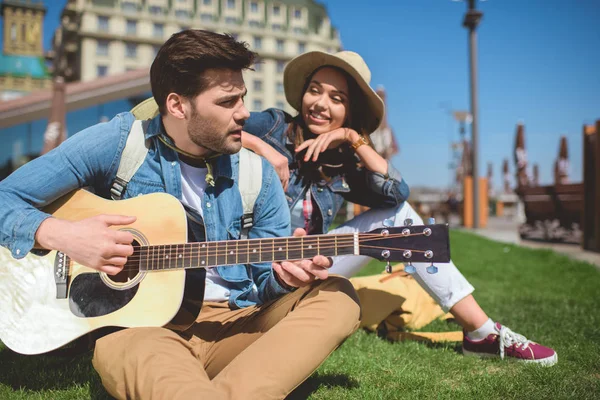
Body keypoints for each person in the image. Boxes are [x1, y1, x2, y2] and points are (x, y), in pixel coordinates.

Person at [0, 30, 361, 399]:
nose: (244, 112)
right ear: (177, 106)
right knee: (137, 355)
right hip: (143, 330)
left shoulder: (259, 175)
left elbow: (265, 285)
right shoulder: (119, 143)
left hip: (236, 323)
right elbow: (5, 197)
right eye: (227, 102)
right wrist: (64, 235)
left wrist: (286, 279)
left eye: (243, 97)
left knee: (337, 296)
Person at [240, 50, 557, 366]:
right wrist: (264, 148)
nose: (321, 104)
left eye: (337, 98)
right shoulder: (272, 126)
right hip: (253, 267)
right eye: (315, 90)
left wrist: (352, 139)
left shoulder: (346, 163)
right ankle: (482, 334)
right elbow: (211, 126)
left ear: (350, 111)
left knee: (398, 217)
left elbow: (396, 193)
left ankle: (481, 333)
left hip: (309, 266)